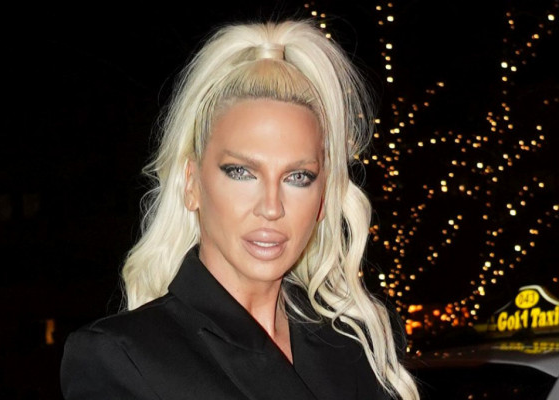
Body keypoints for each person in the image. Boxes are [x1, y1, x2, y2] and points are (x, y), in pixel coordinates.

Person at [60, 18, 420, 400]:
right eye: (241, 172)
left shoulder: (357, 345)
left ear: (323, 198)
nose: (271, 207)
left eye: (298, 177)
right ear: (191, 184)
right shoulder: (123, 357)